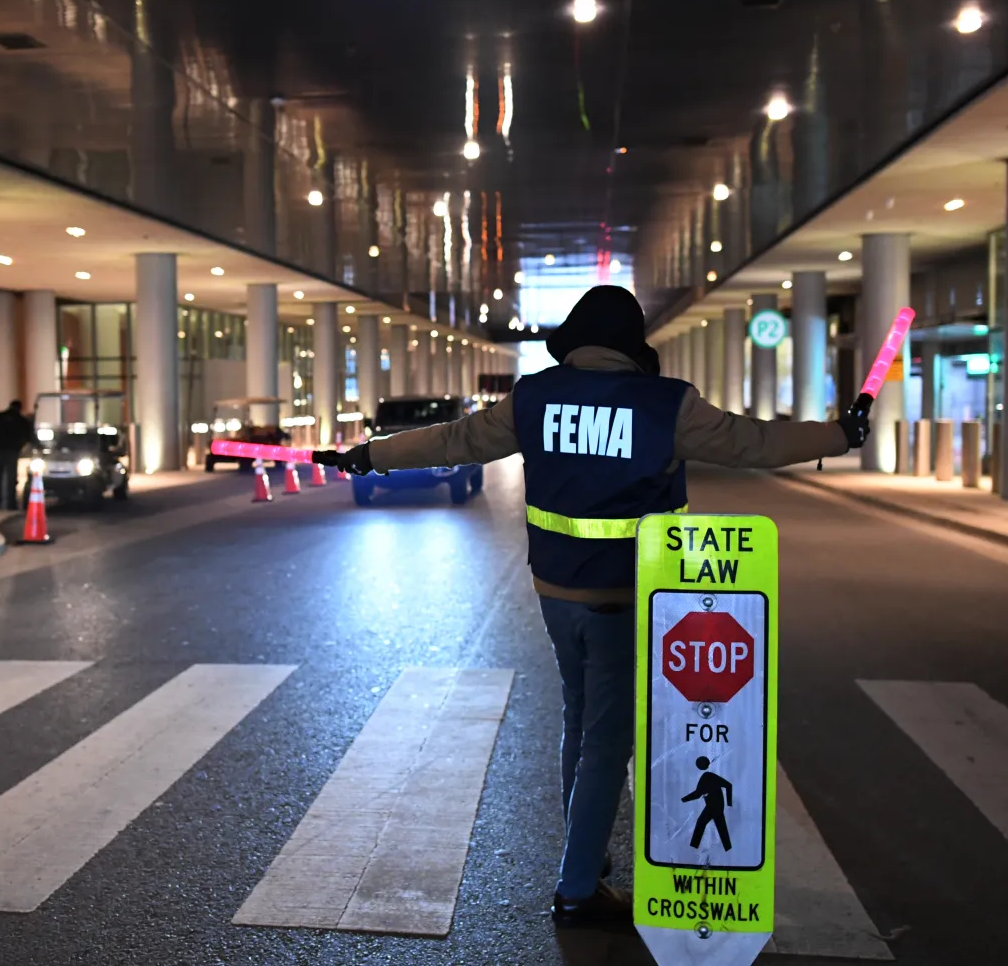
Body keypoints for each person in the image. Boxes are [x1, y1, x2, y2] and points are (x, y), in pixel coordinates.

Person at [330, 285, 869, 928]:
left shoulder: (534, 398)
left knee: (580, 722)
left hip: (557, 593)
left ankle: (582, 858)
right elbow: (753, 443)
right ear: (632, 347)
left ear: (576, 341)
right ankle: (578, 888)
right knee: (609, 740)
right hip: (624, 598)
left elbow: (454, 441)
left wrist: (370, 455)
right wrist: (838, 434)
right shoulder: (668, 405)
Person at [0, 399, 33, 511]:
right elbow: (27, 435)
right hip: (11, 450)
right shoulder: (21, 420)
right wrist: (19, 446)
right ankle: (10, 503)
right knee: (11, 477)